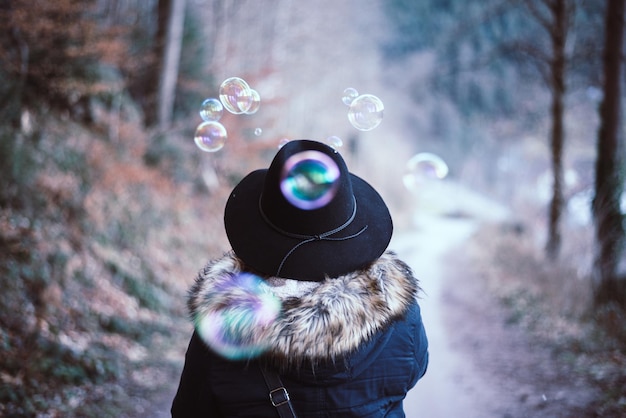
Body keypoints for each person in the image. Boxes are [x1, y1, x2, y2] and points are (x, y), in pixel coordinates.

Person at [171, 139, 428, 417]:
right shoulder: (400, 314)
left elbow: (190, 409)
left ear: (258, 231)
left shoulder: (223, 323)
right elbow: (413, 372)